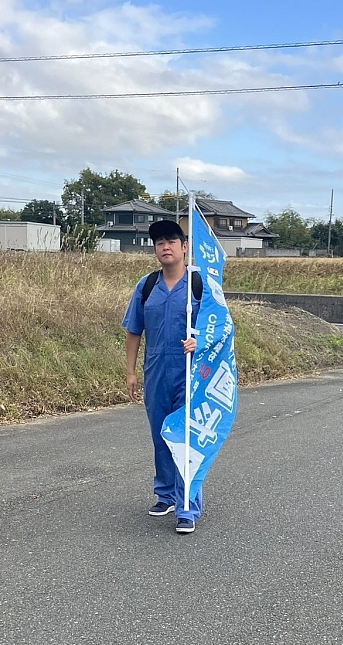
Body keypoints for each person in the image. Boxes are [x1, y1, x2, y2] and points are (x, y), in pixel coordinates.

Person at [122, 220, 201, 534]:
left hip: (190, 373)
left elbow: (220, 328)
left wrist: (200, 342)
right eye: (159, 243)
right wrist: (130, 372)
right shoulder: (147, 286)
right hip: (155, 371)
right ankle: (166, 494)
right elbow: (134, 330)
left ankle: (187, 507)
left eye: (171, 241)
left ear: (184, 247)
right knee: (161, 436)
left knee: (185, 438)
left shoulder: (199, 285)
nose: (165, 247)